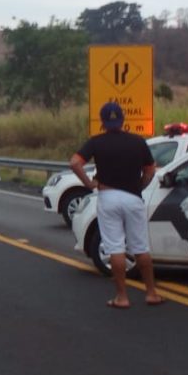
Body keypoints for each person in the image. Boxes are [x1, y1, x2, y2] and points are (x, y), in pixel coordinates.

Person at [70, 102, 164, 309]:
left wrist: (88, 183)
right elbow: (150, 170)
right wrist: (141, 185)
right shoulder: (138, 141)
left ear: (102, 122)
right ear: (122, 120)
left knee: (115, 246)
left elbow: (75, 162)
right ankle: (151, 293)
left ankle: (122, 297)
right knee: (140, 247)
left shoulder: (96, 142)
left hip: (108, 196)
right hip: (133, 197)